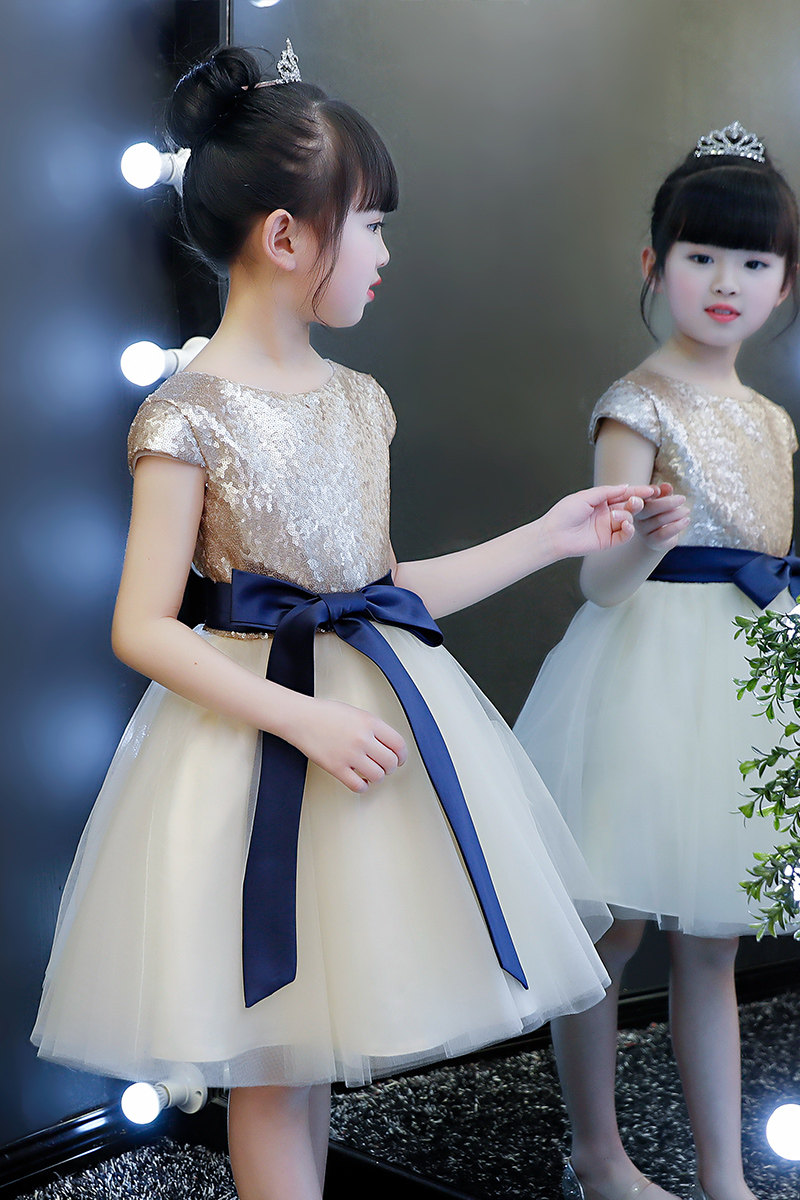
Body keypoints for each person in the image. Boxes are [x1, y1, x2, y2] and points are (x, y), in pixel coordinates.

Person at [31, 44, 654, 1200]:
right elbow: (143, 627)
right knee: (274, 1063)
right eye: (367, 224)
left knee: (309, 1056)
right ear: (285, 236)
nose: (382, 253)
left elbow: (386, 592)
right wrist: (299, 720)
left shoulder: (360, 403)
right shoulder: (186, 414)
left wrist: (548, 535)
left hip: (366, 741)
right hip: (250, 756)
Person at [514, 121, 800, 1200]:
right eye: (701, 255)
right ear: (654, 264)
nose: (726, 282)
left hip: (748, 681)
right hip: (643, 676)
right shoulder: (634, 403)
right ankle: (599, 1156)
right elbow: (597, 581)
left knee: (715, 941)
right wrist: (642, 540)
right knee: (615, 925)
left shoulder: (771, 423)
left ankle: (725, 1176)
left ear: (783, 281)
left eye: (753, 262)